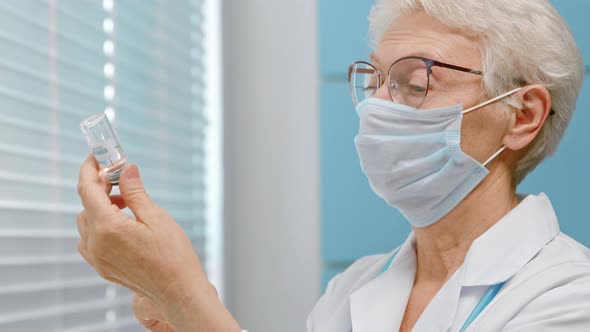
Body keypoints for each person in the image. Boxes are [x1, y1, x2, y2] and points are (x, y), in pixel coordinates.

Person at [76, 0, 590, 331]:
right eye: (378, 82)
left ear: (522, 116)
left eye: (416, 82)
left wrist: (184, 297)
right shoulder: (354, 289)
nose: (380, 106)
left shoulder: (570, 296)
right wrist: (180, 312)